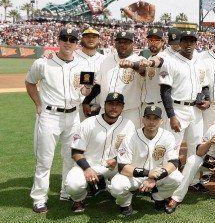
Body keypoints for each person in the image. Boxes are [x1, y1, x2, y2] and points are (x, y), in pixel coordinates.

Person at [25, 28, 93, 212]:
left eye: (72, 39)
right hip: (50, 115)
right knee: (44, 160)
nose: (68, 42)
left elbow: (84, 92)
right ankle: (39, 197)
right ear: (58, 40)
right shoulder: (43, 63)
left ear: (76, 43)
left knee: (70, 157)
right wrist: (38, 103)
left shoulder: (82, 65)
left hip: (73, 115)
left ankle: (66, 190)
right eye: (64, 38)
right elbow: (30, 82)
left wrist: (86, 90)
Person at [65, 92, 136, 213]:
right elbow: (76, 151)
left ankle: (124, 202)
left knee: (122, 185)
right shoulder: (88, 123)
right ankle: (79, 199)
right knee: (73, 185)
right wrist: (87, 169)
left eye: (118, 104)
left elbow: (132, 150)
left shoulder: (128, 125)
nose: (114, 107)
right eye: (110, 104)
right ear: (104, 105)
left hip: (114, 167)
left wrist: (117, 159)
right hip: (88, 166)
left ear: (122, 107)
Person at [158, 29, 211, 192]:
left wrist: (207, 100)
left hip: (196, 110)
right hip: (178, 109)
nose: (189, 44)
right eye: (185, 40)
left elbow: (205, 86)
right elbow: (165, 91)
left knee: (196, 147)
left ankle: (193, 180)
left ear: (196, 43)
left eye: (192, 41)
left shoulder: (200, 61)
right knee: (172, 147)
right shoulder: (170, 61)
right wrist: (171, 115)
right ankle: (166, 181)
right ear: (179, 43)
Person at [109, 106, 183, 216]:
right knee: (117, 186)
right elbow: (122, 167)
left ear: (161, 121)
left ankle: (158, 197)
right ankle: (125, 203)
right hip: (133, 176)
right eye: (148, 118)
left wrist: (153, 177)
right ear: (143, 119)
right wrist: (147, 174)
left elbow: (174, 163)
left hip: (158, 176)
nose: (151, 122)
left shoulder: (168, 136)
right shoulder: (130, 137)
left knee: (177, 178)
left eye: (155, 119)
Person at [84, 30, 146, 128]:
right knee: (103, 142)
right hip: (106, 110)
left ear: (132, 44)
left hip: (129, 112)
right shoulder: (107, 60)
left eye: (126, 42)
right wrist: (86, 101)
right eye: (120, 42)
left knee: (129, 141)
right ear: (115, 43)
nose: (123, 45)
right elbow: (99, 85)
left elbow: (143, 69)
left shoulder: (139, 60)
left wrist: (133, 65)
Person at [141, 28, 167, 117]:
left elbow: (159, 61)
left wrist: (150, 63)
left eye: (157, 40)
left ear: (163, 42)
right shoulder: (149, 58)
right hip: (146, 103)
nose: (153, 42)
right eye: (151, 40)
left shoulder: (165, 56)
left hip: (160, 104)